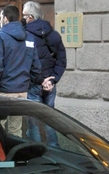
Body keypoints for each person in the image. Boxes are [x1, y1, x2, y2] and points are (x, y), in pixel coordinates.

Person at [0, 5, 42, 136]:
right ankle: (15, 156)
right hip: (22, 92)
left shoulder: (0, 37)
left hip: (3, 91)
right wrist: (26, 84)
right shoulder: (29, 37)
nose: (0, 19)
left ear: (5, 19)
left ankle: (0, 156)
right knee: (16, 131)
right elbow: (36, 67)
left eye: (0, 17)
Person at [22, 1, 66, 145]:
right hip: (50, 85)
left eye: (24, 15)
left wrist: (42, 80)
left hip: (34, 85)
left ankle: (37, 154)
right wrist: (52, 80)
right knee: (49, 121)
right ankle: (56, 151)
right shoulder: (53, 34)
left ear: (30, 17)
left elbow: (27, 63)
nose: (22, 19)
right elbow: (61, 60)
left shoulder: (25, 36)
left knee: (33, 124)